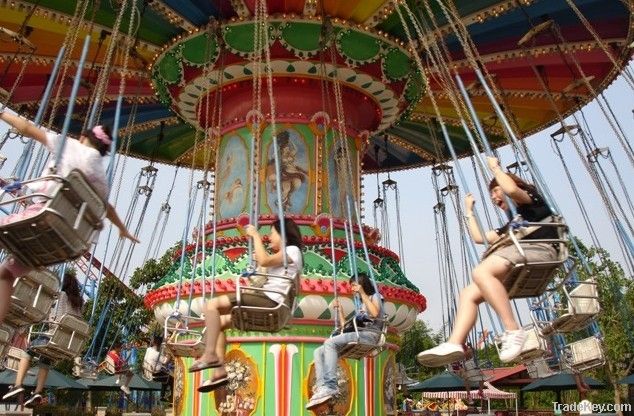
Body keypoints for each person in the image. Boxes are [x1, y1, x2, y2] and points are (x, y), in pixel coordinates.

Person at [0, 111, 139, 325]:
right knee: (6, 274)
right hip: (60, 243)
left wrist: (3, 114)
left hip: (40, 220)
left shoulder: (69, 146)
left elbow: (27, 128)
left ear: (84, 137)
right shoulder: (101, 180)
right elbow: (107, 208)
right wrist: (123, 229)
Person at [417, 156, 558, 366]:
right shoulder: (514, 223)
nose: (493, 197)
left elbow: (511, 191)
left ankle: (513, 330)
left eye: (495, 191)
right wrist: (469, 212)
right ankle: (456, 342)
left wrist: (495, 169)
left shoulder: (532, 201)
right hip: (524, 255)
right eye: (491, 193)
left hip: (542, 250)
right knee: (468, 294)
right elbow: (479, 238)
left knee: (482, 272)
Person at [189, 217, 303, 393]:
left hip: (271, 302)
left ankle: (210, 353)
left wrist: (255, 236)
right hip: (267, 303)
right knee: (218, 323)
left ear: (283, 235)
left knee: (212, 305)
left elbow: (265, 260)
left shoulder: (293, 250)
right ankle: (219, 371)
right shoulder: (282, 258)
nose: (269, 238)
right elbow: (262, 272)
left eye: (272, 234)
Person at [1, 271, 84, 407]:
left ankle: (17, 385)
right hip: (68, 344)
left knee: (27, 351)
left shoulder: (61, 296)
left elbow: (53, 318)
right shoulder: (80, 302)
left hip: (54, 338)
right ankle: (38, 392)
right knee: (45, 359)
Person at [306, 273, 383, 410]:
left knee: (329, 343)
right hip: (359, 334)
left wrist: (363, 293)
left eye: (353, 285)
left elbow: (375, 313)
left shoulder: (374, 296)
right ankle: (322, 387)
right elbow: (347, 328)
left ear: (361, 283)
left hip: (371, 335)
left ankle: (330, 385)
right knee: (319, 351)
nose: (352, 289)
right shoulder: (360, 306)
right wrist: (340, 312)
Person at [143, 334, 173, 402]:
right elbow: (165, 362)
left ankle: (162, 395)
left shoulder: (149, 349)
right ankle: (171, 397)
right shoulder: (157, 354)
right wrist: (169, 355)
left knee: (165, 376)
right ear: (159, 345)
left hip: (147, 371)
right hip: (154, 374)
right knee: (172, 379)